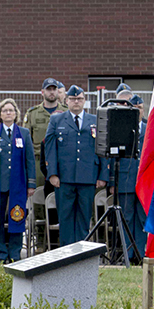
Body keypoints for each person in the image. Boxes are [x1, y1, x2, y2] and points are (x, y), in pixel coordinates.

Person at [44, 85, 106, 247]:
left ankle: (81, 253)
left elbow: (102, 149)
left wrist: (102, 175)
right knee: (65, 217)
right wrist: (52, 174)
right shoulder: (57, 120)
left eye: (79, 99)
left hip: (88, 176)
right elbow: (50, 149)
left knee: (84, 217)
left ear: (85, 101)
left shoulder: (95, 120)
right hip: (64, 178)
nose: (76, 102)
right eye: (72, 99)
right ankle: (66, 253)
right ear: (66, 100)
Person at [0, 99, 36, 262]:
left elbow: (30, 160)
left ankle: (15, 252)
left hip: (18, 183)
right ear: (0, 115)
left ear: (16, 113)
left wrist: (31, 183)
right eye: (5, 111)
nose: (8, 113)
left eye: (11, 110)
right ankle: (1, 252)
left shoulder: (24, 133)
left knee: (17, 215)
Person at [113, 94, 147, 263]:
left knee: (142, 218)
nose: (137, 111)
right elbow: (113, 157)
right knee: (127, 218)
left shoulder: (149, 129)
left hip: (144, 181)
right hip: (126, 179)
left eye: (139, 108)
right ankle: (128, 254)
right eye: (133, 108)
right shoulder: (121, 127)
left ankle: (140, 253)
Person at [24, 78, 64, 191]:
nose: (51, 92)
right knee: (38, 196)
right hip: (38, 161)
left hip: (61, 161)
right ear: (42, 92)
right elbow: (27, 140)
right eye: (48, 89)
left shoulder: (66, 112)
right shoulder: (33, 113)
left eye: (54, 89)